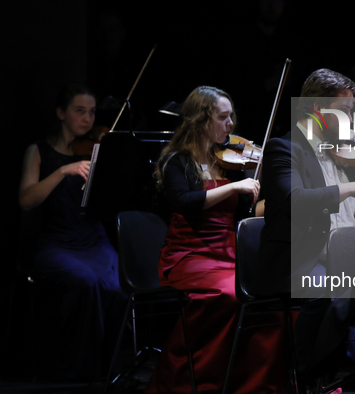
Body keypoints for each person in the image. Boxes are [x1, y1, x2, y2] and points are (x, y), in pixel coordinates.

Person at [144, 86, 285, 394]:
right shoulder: (176, 162)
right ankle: (192, 380)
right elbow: (185, 201)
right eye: (223, 117)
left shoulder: (228, 160)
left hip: (228, 250)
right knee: (230, 295)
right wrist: (235, 188)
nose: (231, 124)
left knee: (270, 296)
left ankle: (252, 384)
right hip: (190, 254)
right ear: (199, 120)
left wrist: (278, 199)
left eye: (231, 116)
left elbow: (244, 212)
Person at [257, 68, 355, 388]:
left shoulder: (344, 154)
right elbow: (297, 201)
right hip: (300, 259)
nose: (350, 122)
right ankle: (304, 377)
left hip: (345, 255)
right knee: (328, 293)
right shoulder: (284, 149)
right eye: (345, 112)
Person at [18, 84, 126, 381]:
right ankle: (82, 374)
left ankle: (113, 372)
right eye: (80, 111)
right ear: (60, 113)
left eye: (92, 112)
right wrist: (64, 171)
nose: (88, 119)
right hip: (57, 243)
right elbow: (27, 200)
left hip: (94, 239)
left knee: (119, 287)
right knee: (89, 283)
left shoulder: (97, 149)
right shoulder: (38, 152)